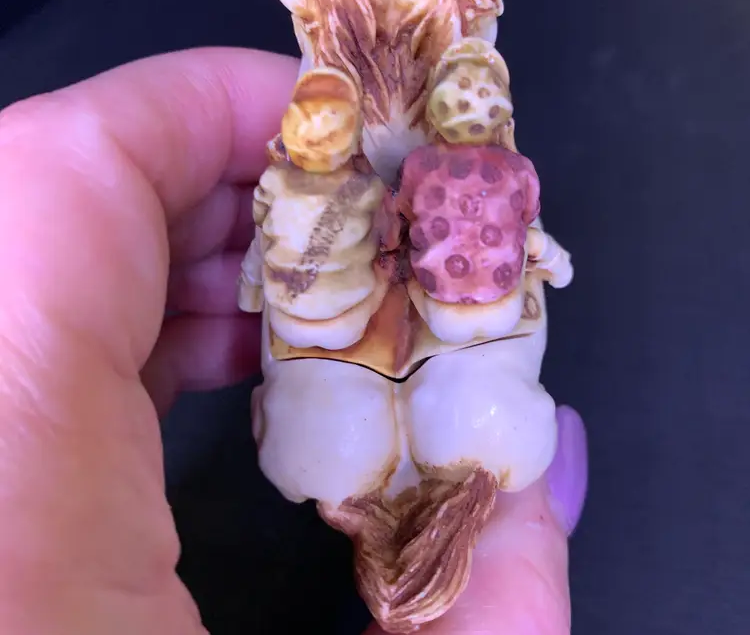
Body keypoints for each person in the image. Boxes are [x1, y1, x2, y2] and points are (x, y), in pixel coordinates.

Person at [0, 46, 588, 634]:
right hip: (376, 315)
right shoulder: (335, 185)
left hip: (388, 314)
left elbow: (389, 232)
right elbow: (377, 233)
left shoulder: (348, 185)